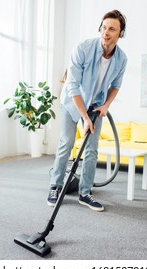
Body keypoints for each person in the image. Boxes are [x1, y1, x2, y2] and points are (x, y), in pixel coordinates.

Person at [47, 9, 127, 212]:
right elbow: (72, 86)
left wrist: (106, 105)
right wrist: (84, 117)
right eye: (104, 27)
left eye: (112, 29)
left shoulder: (121, 59)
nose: (106, 32)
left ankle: (85, 192)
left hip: (95, 106)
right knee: (67, 143)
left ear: (120, 33)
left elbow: (115, 85)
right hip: (72, 102)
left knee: (92, 149)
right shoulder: (83, 48)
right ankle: (55, 186)